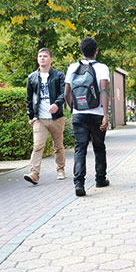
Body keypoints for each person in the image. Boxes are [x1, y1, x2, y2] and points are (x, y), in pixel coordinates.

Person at [65, 37, 110, 197]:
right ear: (96, 51)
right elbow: (104, 91)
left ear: (82, 52)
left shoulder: (72, 67)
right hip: (96, 114)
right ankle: (100, 179)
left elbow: (66, 93)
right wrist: (105, 114)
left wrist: (74, 110)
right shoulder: (102, 68)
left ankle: (79, 183)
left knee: (80, 149)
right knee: (99, 147)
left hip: (79, 115)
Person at [24, 48, 66, 185]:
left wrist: (57, 104)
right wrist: (31, 116)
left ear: (51, 59)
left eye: (45, 56)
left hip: (56, 118)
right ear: (37, 59)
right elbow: (29, 98)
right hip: (40, 119)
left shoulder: (59, 76)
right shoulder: (32, 77)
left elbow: (63, 93)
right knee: (37, 146)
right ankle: (34, 174)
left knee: (58, 146)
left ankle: (60, 169)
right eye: (40, 56)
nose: (42, 58)